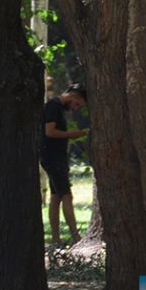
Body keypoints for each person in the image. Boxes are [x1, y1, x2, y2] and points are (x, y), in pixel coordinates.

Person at [42, 83, 89, 245]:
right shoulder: (54, 106)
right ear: (73, 95)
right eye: (77, 104)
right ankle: (76, 237)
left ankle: (56, 240)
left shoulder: (57, 108)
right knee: (67, 195)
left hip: (56, 157)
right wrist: (73, 134)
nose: (75, 108)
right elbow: (49, 131)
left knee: (56, 197)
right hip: (53, 158)